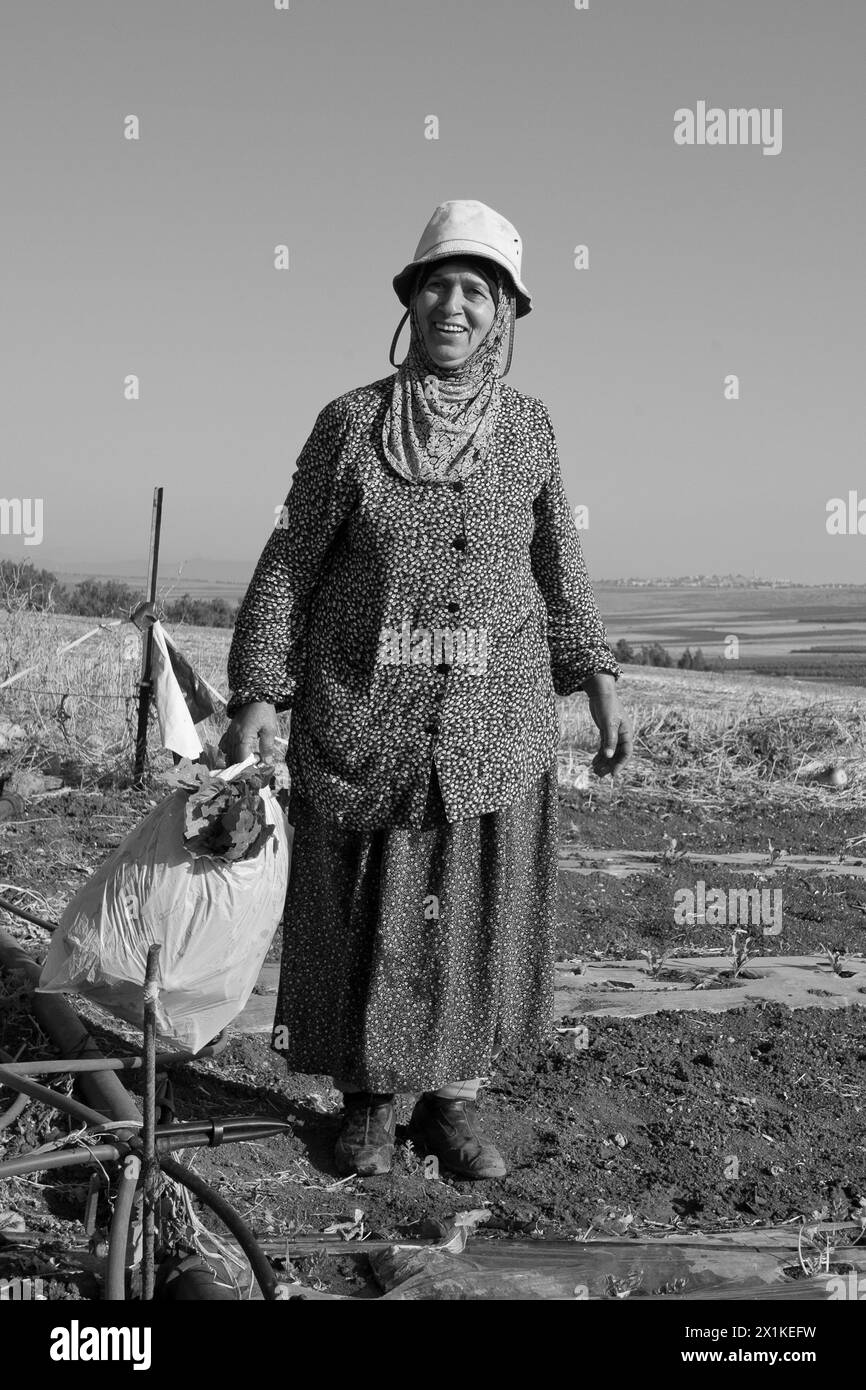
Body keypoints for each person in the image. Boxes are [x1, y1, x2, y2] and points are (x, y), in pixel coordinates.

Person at [221, 199, 632, 1181]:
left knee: (472, 906)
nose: (456, 305)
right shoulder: (350, 424)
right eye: (439, 284)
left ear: (504, 314)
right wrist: (259, 690)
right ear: (410, 300)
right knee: (366, 907)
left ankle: (453, 1100)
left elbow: (557, 563)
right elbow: (291, 560)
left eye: (478, 291)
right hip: (365, 710)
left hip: (495, 723)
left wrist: (597, 678)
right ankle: (365, 1098)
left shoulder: (529, 429)